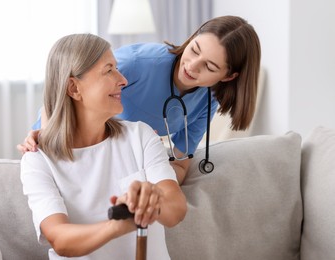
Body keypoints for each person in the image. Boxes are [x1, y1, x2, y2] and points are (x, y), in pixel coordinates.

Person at [18, 15, 261, 184]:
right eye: (195, 50)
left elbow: (180, 164)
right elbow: (68, 87)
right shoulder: (137, 64)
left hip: (129, 166)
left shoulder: (209, 100)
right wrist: (45, 132)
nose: (192, 66)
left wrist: (155, 185)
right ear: (193, 37)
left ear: (229, 76)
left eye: (209, 66)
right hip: (82, 150)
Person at [20, 33, 187, 259]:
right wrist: (117, 225)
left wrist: (152, 200)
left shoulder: (140, 136)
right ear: (74, 88)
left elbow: (175, 211)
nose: (123, 80)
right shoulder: (38, 159)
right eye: (109, 70)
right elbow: (60, 239)